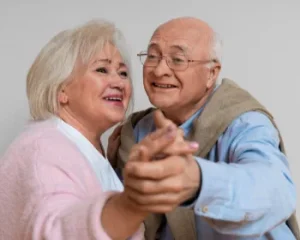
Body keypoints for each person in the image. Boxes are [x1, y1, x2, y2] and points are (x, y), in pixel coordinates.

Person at [0, 19, 198, 240]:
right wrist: (131, 204)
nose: (119, 82)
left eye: (123, 73)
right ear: (61, 89)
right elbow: (55, 231)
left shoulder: (96, 152)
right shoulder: (42, 148)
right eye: (102, 69)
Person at [109, 17, 299, 239]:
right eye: (152, 56)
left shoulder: (244, 121)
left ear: (211, 73)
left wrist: (198, 181)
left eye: (178, 59)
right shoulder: (135, 133)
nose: (160, 70)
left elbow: (276, 191)